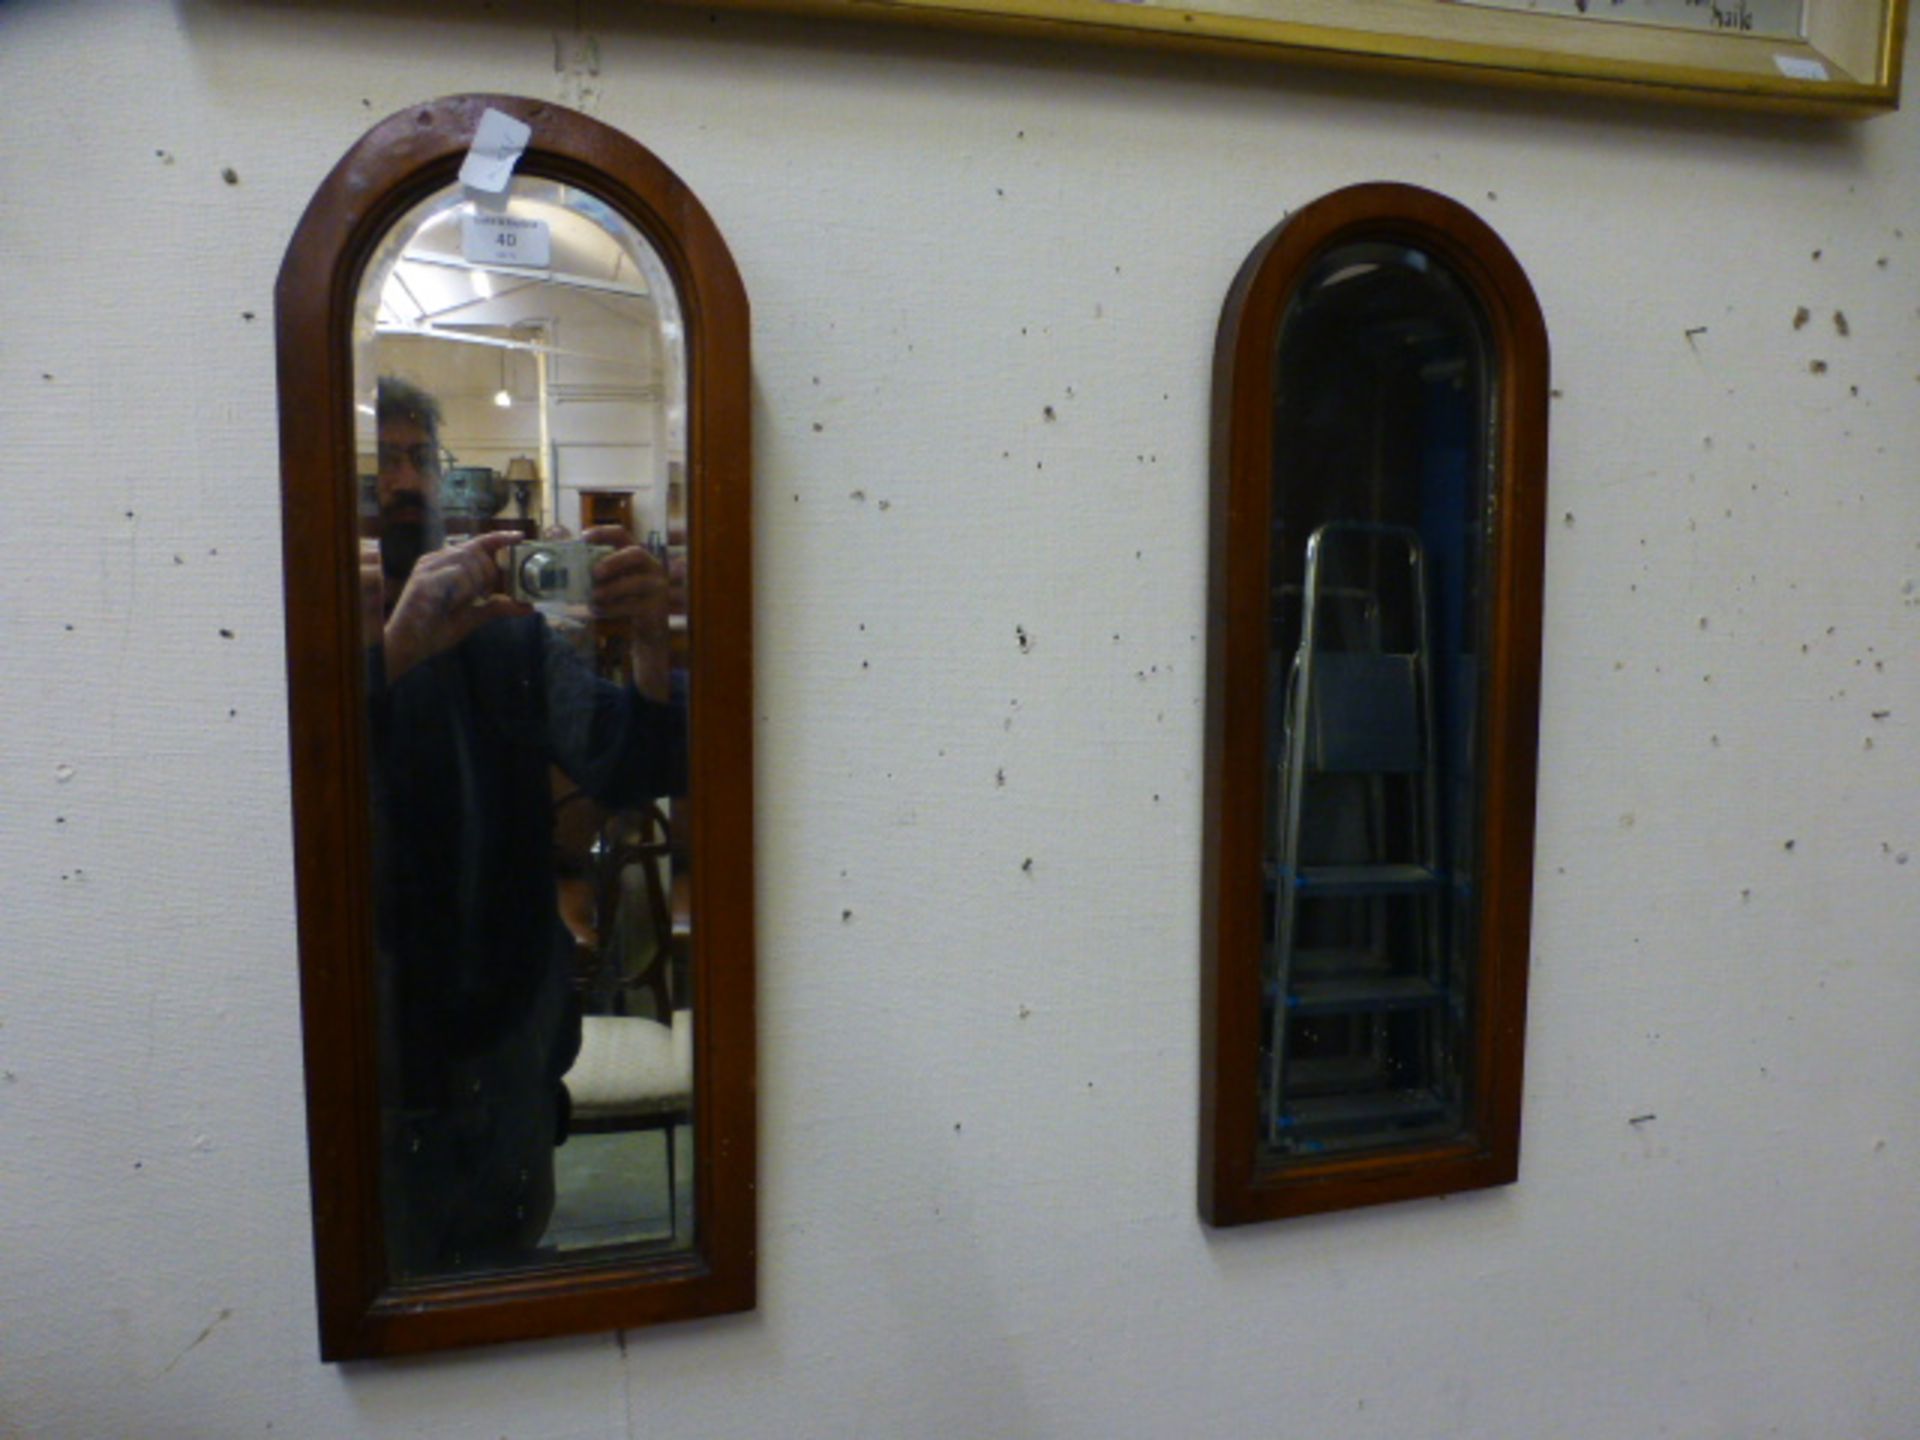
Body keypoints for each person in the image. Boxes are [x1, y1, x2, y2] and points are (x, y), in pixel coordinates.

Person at [364, 375, 685, 1276]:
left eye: (419, 458)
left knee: (510, 1266)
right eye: (384, 460)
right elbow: (298, 786)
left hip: (505, 1028)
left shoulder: (504, 634)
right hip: (372, 1037)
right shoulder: (310, 623)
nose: (405, 483)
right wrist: (392, 653)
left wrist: (653, 645)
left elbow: (627, 762)